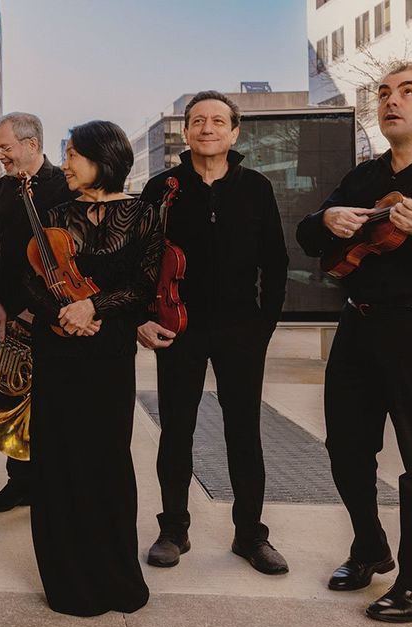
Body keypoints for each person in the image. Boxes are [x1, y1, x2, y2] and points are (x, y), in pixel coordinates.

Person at [296, 62, 412, 623]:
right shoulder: (363, 177)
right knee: (345, 448)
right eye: (383, 93)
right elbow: (308, 237)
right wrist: (327, 218)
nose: (391, 101)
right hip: (359, 326)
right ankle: (370, 547)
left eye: (407, 91)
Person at [138, 91, 290, 575]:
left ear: (234, 131)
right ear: (186, 131)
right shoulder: (161, 188)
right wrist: (143, 316)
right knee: (176, 430)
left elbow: (276, 262)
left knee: (244, 432)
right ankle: (173, 529)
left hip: (241, 329)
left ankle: (250, 535)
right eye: (198, 120)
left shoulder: (256, 187)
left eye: (218, 121)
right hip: (177, 327)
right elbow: (139, 262)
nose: (208, 128)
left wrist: (264, 326)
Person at [26, 120, 161, 617]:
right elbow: (32, 282)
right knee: (58, 459)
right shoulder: (53, 213)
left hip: (109, 352)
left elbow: (144, 286)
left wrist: (93, 307)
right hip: (58, 349)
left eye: (73, 155)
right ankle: (67, 579)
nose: (65, 163)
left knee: (106, 457)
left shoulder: (144, 213)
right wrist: (66, 314)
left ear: (103, 158)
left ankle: (115, 577)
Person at [0, 112, 73, 512]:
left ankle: (52, 485)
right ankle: (19, 482)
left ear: (31, 145)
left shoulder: (64, 186)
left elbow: (68, 258)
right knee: (7, 395)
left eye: (5, 147)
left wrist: (42, 310)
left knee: (53, 404)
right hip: (7, 313)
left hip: (50, 316)